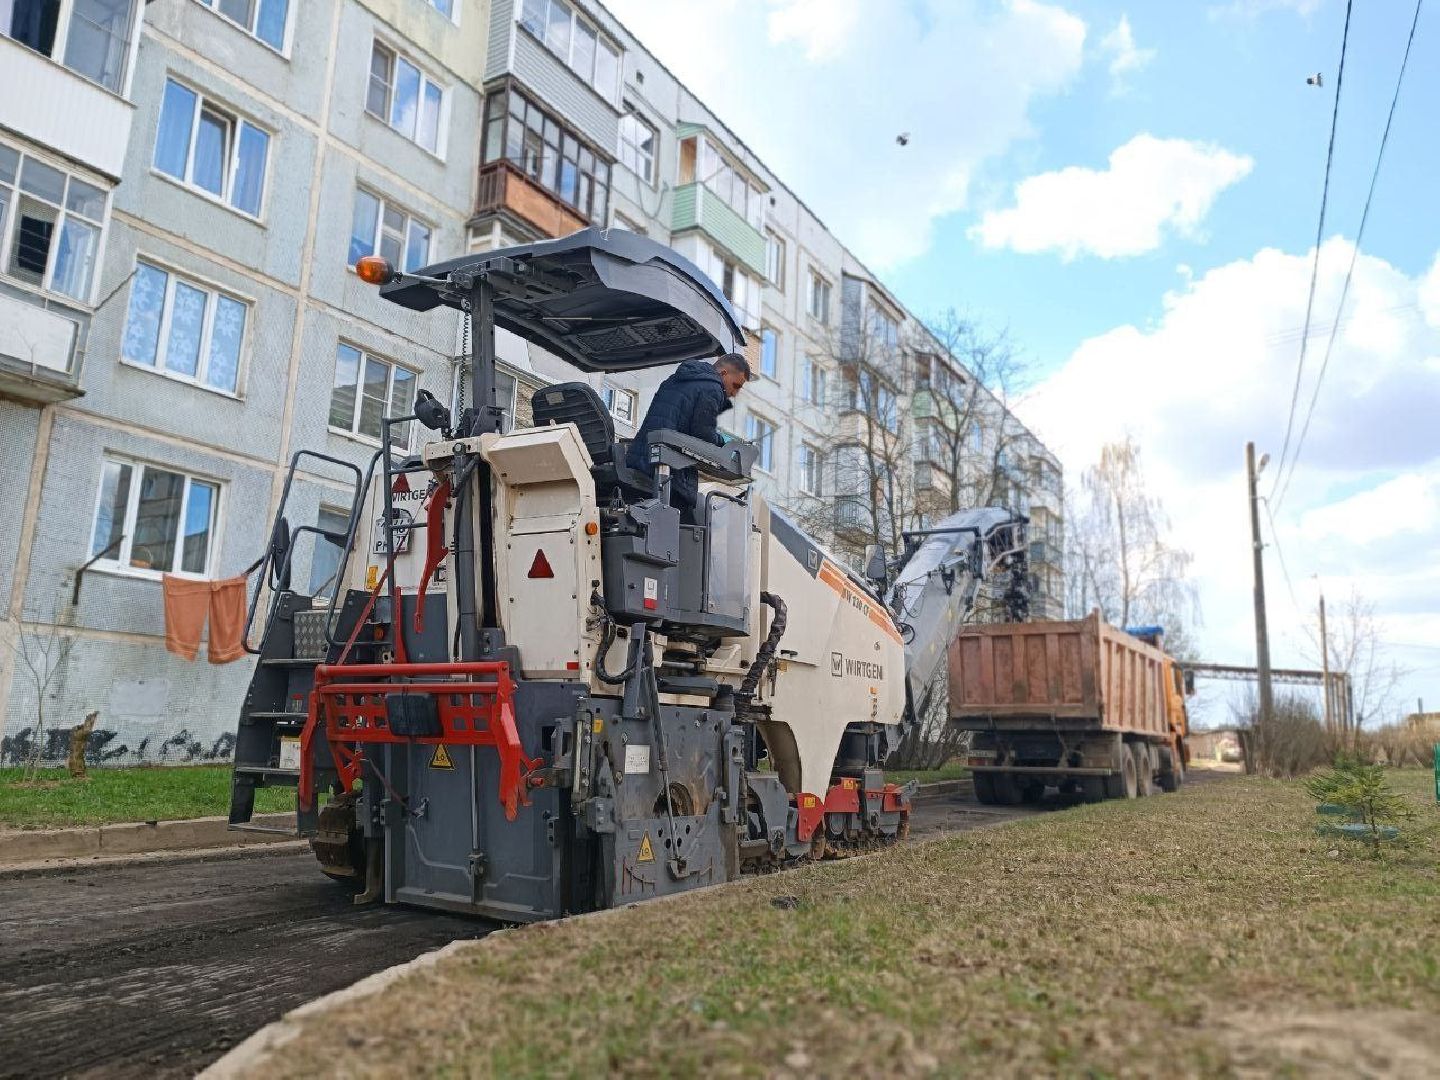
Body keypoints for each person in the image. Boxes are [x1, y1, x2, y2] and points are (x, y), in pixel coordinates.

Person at [625, 353, 751, 516]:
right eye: (736, 386)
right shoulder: (712, 387)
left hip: (641, 464)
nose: (735, 393)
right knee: (691, 523)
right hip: (667, 476)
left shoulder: (675, 379)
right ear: (724, 373)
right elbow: (703, 435)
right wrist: (726, 443)